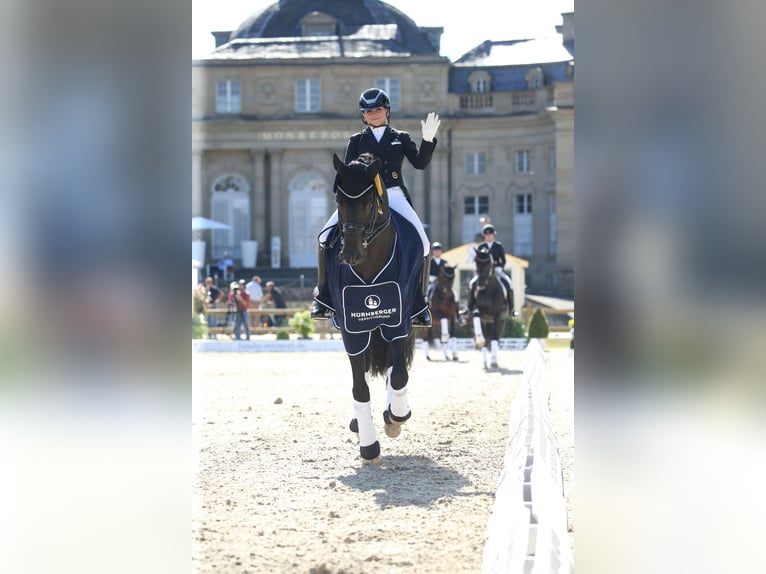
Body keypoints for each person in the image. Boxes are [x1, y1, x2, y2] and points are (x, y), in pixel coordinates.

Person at [311, 87, 441, 327]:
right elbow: (348, 171)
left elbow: (420, 163)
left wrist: (428, 140)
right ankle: (324, 296)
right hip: (363, 197)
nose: (373, 115)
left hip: (393, 194)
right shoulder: (356, 140)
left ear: (387, 111)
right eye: (368, 111)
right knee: (324, 237)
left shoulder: (400, 137)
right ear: (363, 115)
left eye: (377, 110)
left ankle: (419, 304)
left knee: (422, 243)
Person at [475, 224, 515, 314]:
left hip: (497, 270)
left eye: (490, 234)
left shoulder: (498, 246)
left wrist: (499, 267)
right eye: (486, 235)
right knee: (472, 284)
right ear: (484, 236)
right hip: (484, 273)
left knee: (509, 284)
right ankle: (470, 307)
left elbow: (503, 260)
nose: (488, 236)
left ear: (493, 235)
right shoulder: (481, 247)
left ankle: (511, 309)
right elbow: (478, 261)